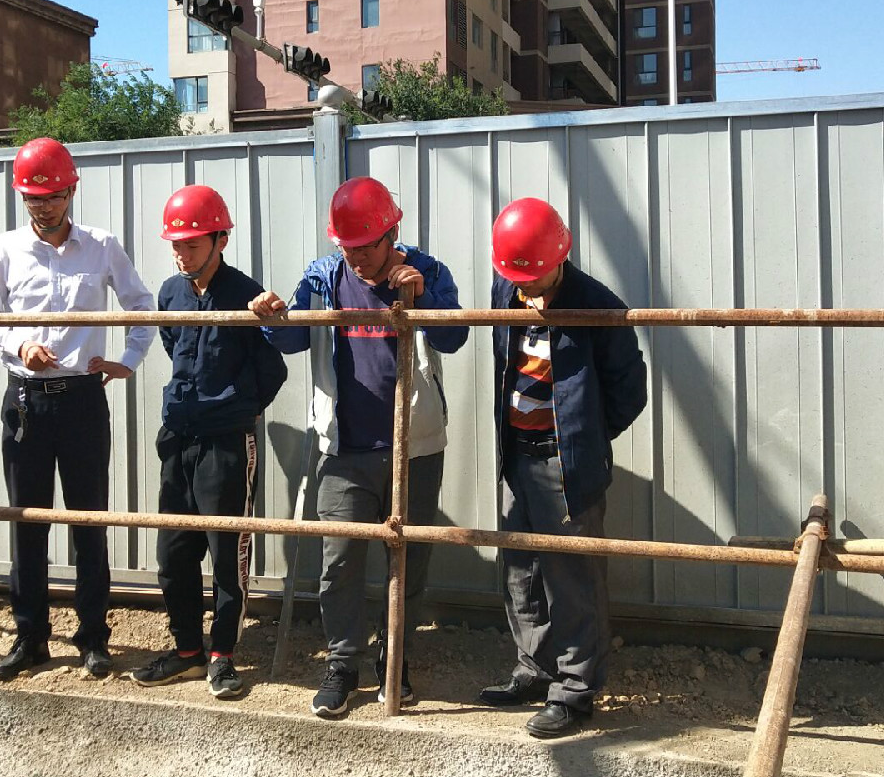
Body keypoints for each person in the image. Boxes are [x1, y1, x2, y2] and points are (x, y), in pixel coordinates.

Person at [249, 176, 467, 719]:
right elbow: (292, 339)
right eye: (347, 246)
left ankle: (395, 660)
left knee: (407, 564)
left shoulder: (427, 269)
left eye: (366, 246)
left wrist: (421, 297)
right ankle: (342, 665)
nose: (357, 257)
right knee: (340, 561)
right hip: (344, 448)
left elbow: (455, 336)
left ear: (392, 233)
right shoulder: (322, 277)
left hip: (415, 447)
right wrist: (272, 317)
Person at [0, 137, 156, 681]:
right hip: (25, 402)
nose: (44, 206)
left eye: (53, 195)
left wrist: (128, 360)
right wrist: (19, 345)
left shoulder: (101, 246)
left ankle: (93, 637)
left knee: (88, 522)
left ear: (72, 190)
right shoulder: (5, 249)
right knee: (27, 523)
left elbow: (141, 304)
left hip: (81, 401)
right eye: (33, 197)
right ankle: (30, 637)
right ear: (21, 197)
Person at [478, 197, 647, 738]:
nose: (524, 287)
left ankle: (575, 690)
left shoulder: (598, 307)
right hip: (517, 454)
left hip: (564, 462)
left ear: (559, 258)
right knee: (520, 569)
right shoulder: (507, 288)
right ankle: (535, 668)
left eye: (533, 277)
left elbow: (629, 392)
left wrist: (581, 439)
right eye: (516, 277)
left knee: (573, 578)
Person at [130, 185, 287, 699]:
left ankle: (222, 655)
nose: (182, 253)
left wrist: (235, 407)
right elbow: (174, 346)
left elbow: (272, 370)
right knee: (174, 552)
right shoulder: (170, 294)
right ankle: (186, 652)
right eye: (176, 244)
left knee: (226, 553)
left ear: (220, 240)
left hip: (226, 442)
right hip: (178, 436)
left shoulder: (246, 294)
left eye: (192, 244)